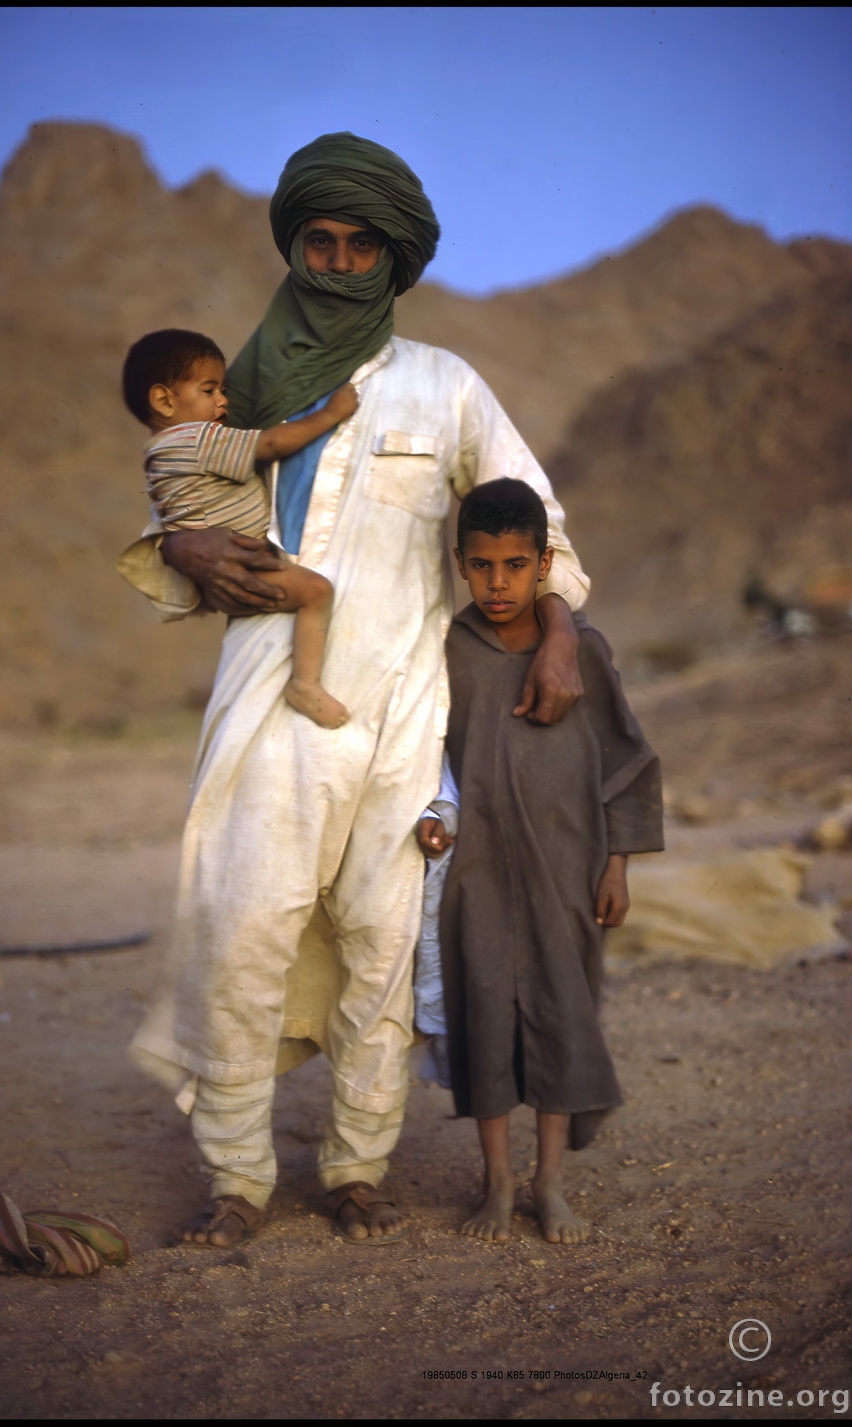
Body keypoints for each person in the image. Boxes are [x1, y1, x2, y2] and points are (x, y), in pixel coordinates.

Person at [117, 132, 591, 1248]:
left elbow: (543, 529)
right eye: (317, 241)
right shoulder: (241, 389)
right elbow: (180, 487)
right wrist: (178, 549)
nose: (334, 262)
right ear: (294, 247)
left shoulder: (446, 386)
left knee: (382, 941)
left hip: (403, 709)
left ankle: (356, 1166)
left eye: (357, 244)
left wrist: (559, 631)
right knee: (243, 928)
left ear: (391, 257)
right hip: (268, 696)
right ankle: (235, 1179)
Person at [416, 480, 664, 1246]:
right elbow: (421, 760)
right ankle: (494, 1181)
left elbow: (627, 762)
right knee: (483, 1012)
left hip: (567, 868)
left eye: (515, 565)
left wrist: (616, 863)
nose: (498, 583)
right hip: (477, 873)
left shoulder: (580, 650)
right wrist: (432, 823)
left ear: (543, 563)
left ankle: (548, 1183)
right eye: (483, 565)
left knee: (562, 1009)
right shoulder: (447, 651)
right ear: (460, 564)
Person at [122, 327, 357, 728]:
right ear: (163, 399)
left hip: (220, 581)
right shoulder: (197, 439)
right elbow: (269, 445)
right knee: (318, 592)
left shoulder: (159, 454)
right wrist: (331, 415)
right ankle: (305, 684)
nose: (223, 401)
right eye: (209, 390)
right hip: (247, 570)